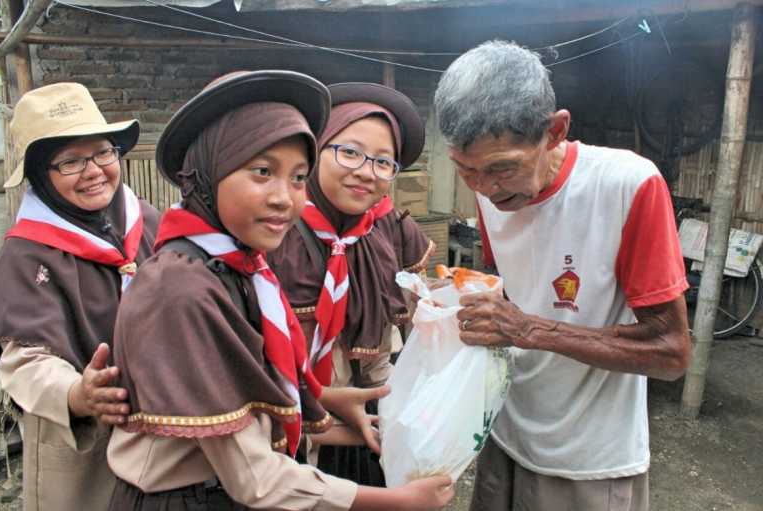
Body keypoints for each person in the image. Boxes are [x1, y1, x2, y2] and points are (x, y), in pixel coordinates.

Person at [107, 70, 453, 511]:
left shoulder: (236, 267)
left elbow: (248, 380)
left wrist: (325, 399)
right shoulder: (185, 286)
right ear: (211, 171)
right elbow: (255, 478)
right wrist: (397, 502)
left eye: (296, 178)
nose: (284, 199)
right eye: (262, 172)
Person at [433, 40, 692, 511]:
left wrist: (531, 329)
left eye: (501, 169)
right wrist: (449, 300)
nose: (486, 190)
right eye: (466, 171)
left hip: (586, 459)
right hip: (503, 432)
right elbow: (515, 287)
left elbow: (672, 354)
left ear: (555, 131)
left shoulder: (628, 186)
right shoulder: (491, 194)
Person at [0, 82, 160, 511]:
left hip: (163, 437)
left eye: (103, 152)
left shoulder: (147, 220)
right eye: (70, 161)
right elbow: (24, 361)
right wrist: (77, 394)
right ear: (40, 176)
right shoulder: (26, 252)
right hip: (82, 449)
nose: (93, 171)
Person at [267, 82, 435, 486]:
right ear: (317, 149)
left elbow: (418, 319)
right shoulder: (273, 228)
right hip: (287, 428)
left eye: (383, 162)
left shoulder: (394, 229)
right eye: (350, 152)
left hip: (374, 422)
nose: (365, 172)